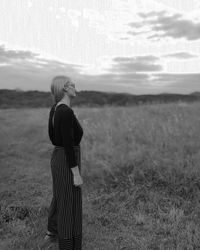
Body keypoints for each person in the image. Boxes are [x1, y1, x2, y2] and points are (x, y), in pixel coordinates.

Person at [42, 75, 84, 250]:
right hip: (67, 159)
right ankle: (68, 245)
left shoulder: (56, 109)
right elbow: (67, 143)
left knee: (62, 197)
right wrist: (75, 173)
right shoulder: (65, 111)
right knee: (68, 202)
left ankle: (53, 233)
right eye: (72, 84)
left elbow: (53, 139)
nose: (75, 87)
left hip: (58, 157)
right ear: (65, 88)